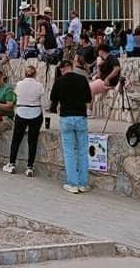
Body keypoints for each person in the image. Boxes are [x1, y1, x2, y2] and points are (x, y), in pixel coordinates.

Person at [49, 60, 92, 194]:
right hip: (81, 117)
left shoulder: (59, 81)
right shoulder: (82, 79)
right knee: (82, 150)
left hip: (66, 117)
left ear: (63, 68)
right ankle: (83, 183)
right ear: (71, 67)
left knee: (69, 152)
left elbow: (53, 98)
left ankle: (72, 183)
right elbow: (88, 99)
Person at [4, 64, 43, 176]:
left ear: (25, 74)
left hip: (22, 112)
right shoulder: (39, 85)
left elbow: (17, 96)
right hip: (35, 112)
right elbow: (42, 100)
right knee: (32, 141)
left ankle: (11, 164)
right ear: (35, 74)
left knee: (16, 139)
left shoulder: (19, 84)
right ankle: (29, 167)